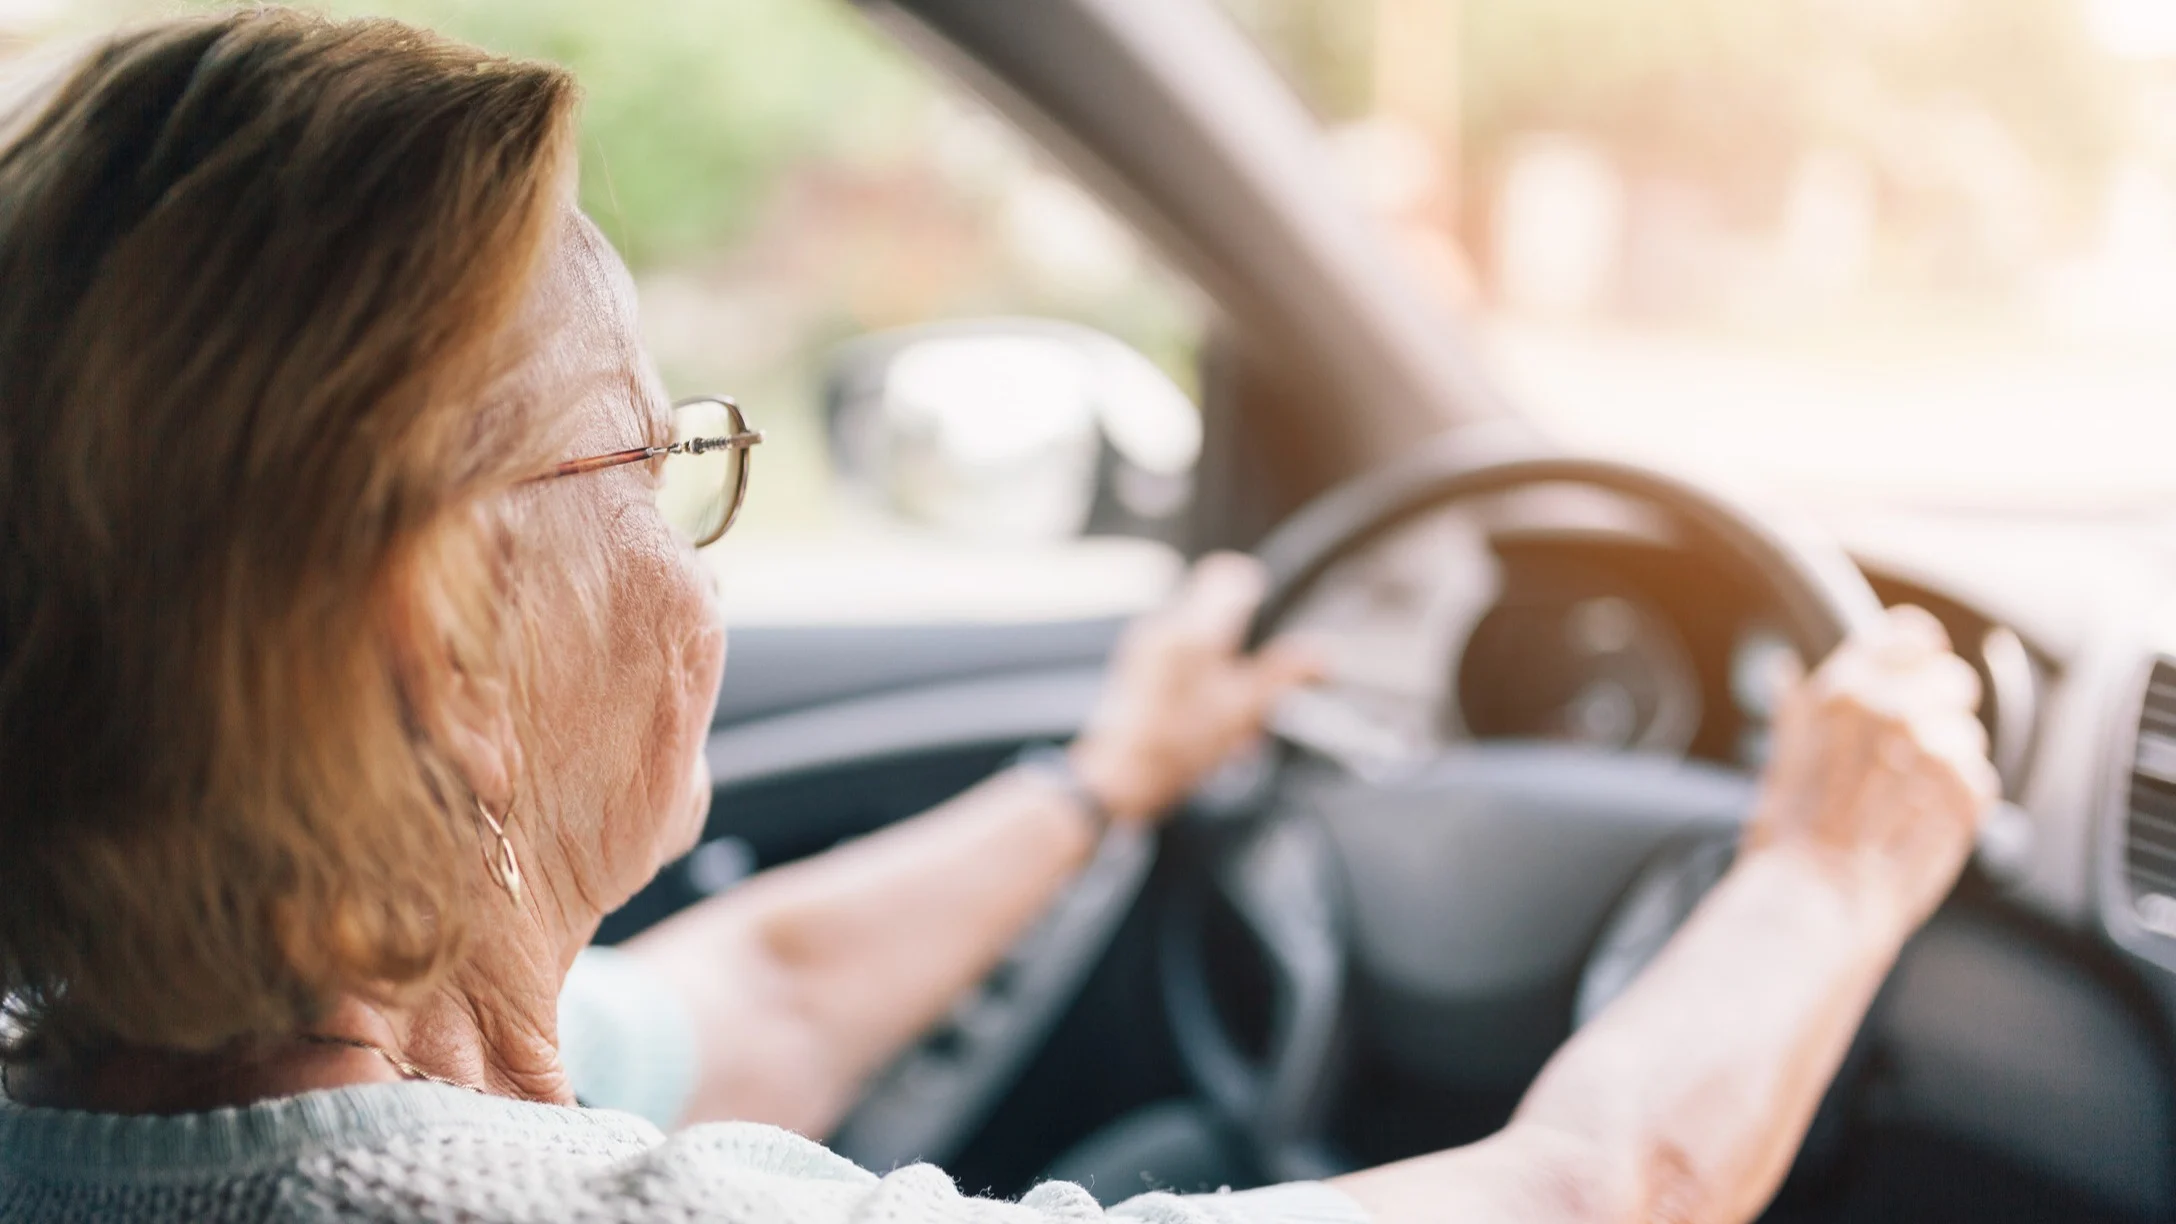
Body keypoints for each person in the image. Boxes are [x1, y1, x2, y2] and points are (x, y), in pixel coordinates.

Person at [0, 11, 1996, 1223]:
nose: (700, 568)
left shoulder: (111, 1089)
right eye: (654, 458)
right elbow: (1588, 1192)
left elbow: (755, 997)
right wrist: (1829, 866)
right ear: (440, 637)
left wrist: (1099, 783)